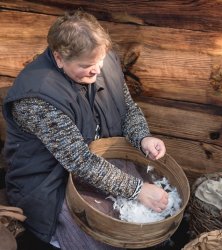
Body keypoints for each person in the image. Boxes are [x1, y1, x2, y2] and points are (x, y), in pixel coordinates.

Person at [2, 10, 168, 249]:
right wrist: (137, 189)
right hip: (50, 181)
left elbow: (128, 108)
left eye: (100, 61)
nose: (97, 70)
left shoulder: (103, 61)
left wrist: (142, 136)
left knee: (146, 226)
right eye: (87, 65)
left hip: (101, 161)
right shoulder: (37, 98)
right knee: (102, 235)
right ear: (59, 58)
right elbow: (79, 162)